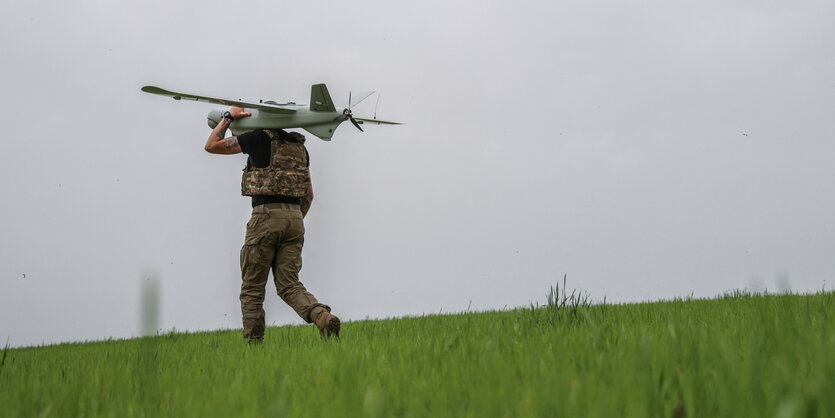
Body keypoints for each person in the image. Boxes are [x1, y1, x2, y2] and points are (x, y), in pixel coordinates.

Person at [203, 106, 340, 343]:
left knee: (252, 290)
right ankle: (322, 317)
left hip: (265, 219)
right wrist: (291, 219)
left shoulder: (259, 138)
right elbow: (308, 195)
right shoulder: (299, 147)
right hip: (295, 220)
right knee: (290, 285)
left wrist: (228, 117)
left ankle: (254, 349)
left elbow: (212, 145)